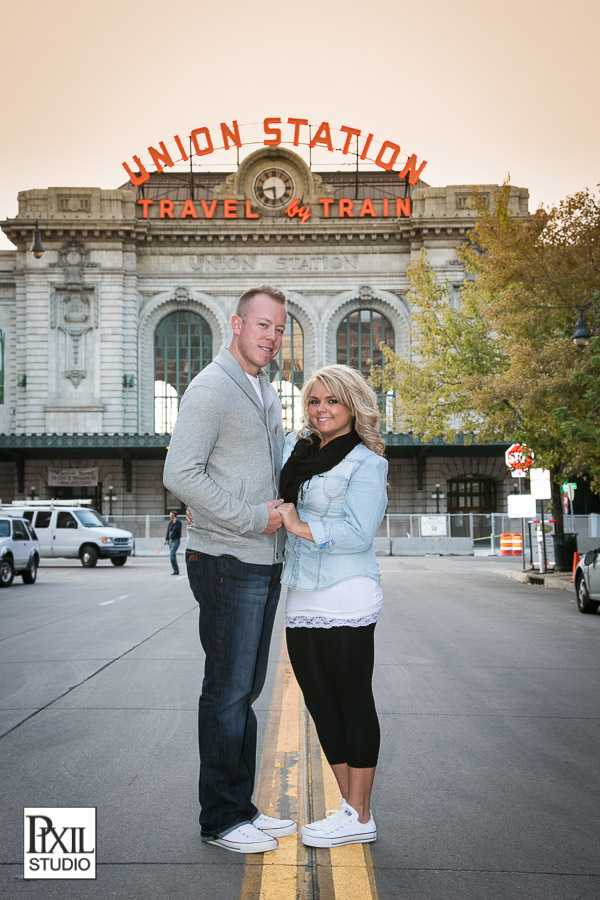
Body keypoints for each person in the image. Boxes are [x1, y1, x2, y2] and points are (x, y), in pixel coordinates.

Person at [163, 285, 297, 854]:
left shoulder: (261, 390)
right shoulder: (213, 387)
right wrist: (248, 517)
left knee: (244, 689)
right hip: (225, 557)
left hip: (260, 558)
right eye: (262, 325)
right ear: (236, 325)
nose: (271, 336)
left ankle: (240, 806)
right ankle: (220, 818)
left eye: (279, 328)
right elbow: (181, 473)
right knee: (226, 691)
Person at [277, 364, 388, 849]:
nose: (322, 410)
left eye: (332, 401)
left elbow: (360, 532)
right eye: (314, 401)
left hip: (346, 591)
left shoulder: (368, 463)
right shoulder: (297, 452)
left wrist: (301, 526)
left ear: (353, 406)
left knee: (352, 699)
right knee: (321, 703)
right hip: (300, 589)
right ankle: (350, 810)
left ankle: (361, 815)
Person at [164, 510, 182, 574]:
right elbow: (168, 531)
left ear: (174, 516)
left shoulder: (178, 523)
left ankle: (176, 570)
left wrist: (174, 524)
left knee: (172, 555)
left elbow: (177, 531)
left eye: (171, 515)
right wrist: (166, 539)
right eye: (170, 515)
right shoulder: (170, 522)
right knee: (172, 556)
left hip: (176, 541)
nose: (170, 516)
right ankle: (175, 570)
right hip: (170, 541)